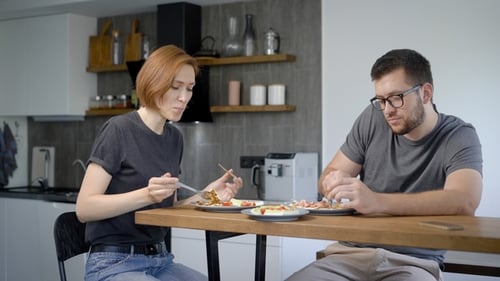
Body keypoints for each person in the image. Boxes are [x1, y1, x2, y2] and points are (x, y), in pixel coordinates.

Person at [286, 49, 482, 281]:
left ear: (426, 93)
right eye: (380, 100)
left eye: (396, 97)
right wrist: (333, 183)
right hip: (348, 255)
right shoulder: (372, 117)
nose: (387, 110)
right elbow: (328, 175)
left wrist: (377, 201)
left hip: (414, 263)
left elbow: (464, 201)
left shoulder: (458, 135)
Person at [76, 45, 243, 281]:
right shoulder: (118, 129)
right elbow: (84, 209)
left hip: (161, 260)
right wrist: (146, 195)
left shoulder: (174, 138)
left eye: (190, 88)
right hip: (113, 263)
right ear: (153, 83)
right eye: (175, 87)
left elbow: (168, 207)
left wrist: (208, 194)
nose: (184, 98)